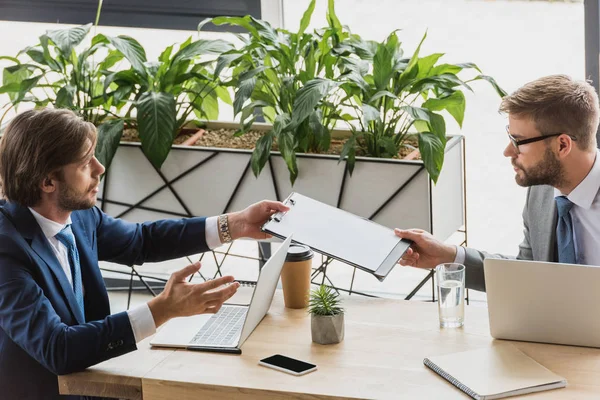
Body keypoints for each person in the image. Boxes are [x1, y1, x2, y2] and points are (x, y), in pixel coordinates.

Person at [0, 108, 289, 399]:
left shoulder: (79, 216)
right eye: (85, 163)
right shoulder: (5, 249)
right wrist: (162, 309)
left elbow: (142, 241)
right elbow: (57, 348)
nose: (100, 168)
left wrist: (236, 224)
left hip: (94, 384)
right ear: (48, 182)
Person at [395, 74, 600, 292]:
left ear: (562, 145)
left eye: (518, 141)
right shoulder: (542, 192)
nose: (508, 151)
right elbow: (528, 273)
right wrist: (447, 256)